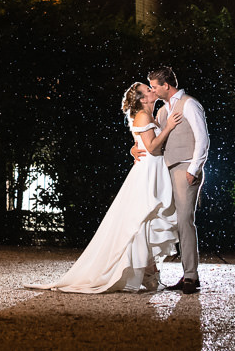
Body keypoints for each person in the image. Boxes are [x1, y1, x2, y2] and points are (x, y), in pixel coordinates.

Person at [28, 81, 182, 293]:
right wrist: (169, 128)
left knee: (146, 221)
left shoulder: (151, 116)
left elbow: (143, 143)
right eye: (148, 90)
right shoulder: (144, 116)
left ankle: (148, 272)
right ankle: (145, 272)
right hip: (147, 173)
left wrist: (134, 148)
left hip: (152, 171)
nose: (152, 90)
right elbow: (154, 148)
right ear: (142, 99)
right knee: (141, 220)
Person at [145, 65, 209, 294]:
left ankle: (191, 276)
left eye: (155, 86)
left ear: (166, 85)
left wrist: (193, 169)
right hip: (167, 170)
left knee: (184, 220)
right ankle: (160, 270)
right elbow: (153, 141)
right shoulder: (163, 111)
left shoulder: (189, 104)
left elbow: (202, 139)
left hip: (185, 168)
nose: (153, 90)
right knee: (163, 218)